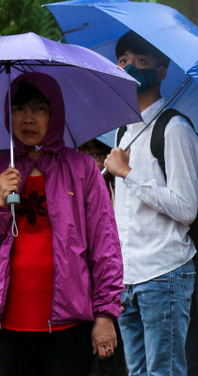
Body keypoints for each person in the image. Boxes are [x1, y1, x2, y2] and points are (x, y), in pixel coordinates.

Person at [0, 73, 123, 376]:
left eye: (39, 108)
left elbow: (105, 245)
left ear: (56, 114)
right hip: (9, 322)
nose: (27, 118)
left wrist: (105, 314)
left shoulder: (82, 169)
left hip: (70, 322)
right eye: (18, 108)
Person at [104, 31, 198, 376]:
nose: (130, 68)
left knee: (166, 372)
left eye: (141, 62)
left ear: (161, 71)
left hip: (164, 273)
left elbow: (185, 208)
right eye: (123, 61)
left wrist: (128, 174)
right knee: (137, 372)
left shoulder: (175, 129)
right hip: (128, 275)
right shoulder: (123, 132)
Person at [79, 137, 128, 376]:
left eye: (98, 156)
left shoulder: (120, 189)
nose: (93, 162)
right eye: (86, 155)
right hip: (84, 289)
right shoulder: (74, 191)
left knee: (113, 359)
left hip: (117, 284)